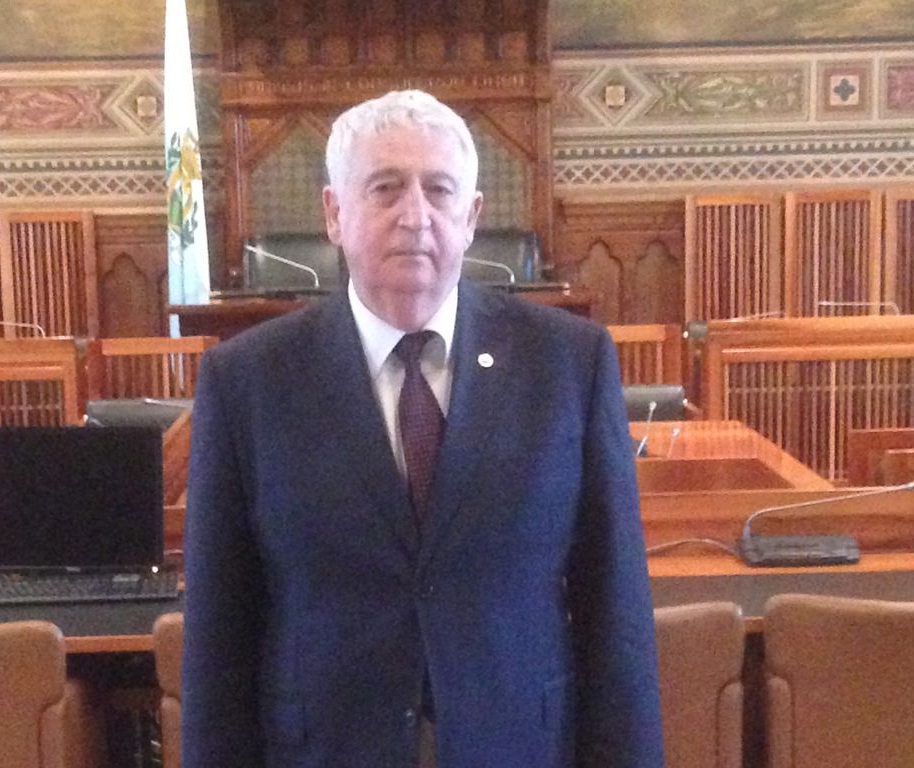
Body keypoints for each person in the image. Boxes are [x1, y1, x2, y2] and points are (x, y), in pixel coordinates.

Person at [182, 89, 664, 768]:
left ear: (471, 218)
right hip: (325, 749)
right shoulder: (248, 380)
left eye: (439, 190)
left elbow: (616, 610)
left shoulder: (568, 363)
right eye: (385, 188)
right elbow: (218, 632)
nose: (415, 216)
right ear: (334, 213)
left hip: (519, 744)